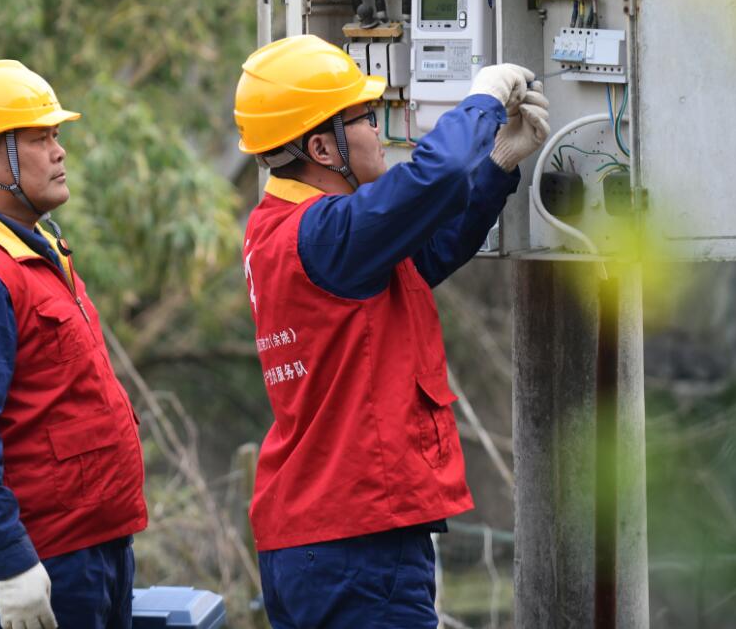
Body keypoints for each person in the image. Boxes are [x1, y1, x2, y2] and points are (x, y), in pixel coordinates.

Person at [232, 34, 550, 627]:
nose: (379, 130)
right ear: (321, 147)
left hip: (317, 540)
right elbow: (439, 172)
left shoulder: (282, 229)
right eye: (365, 117)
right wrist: (482, 101)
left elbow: (427, 255)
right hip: (357, 544)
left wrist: (498, 165)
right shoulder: (326, 233)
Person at [0, 59, 148, 629]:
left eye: (56, 135)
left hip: (86, 552)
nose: (59, 152)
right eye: (40, 139)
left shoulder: (30, 252)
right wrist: (10, 560)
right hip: (37, 563)